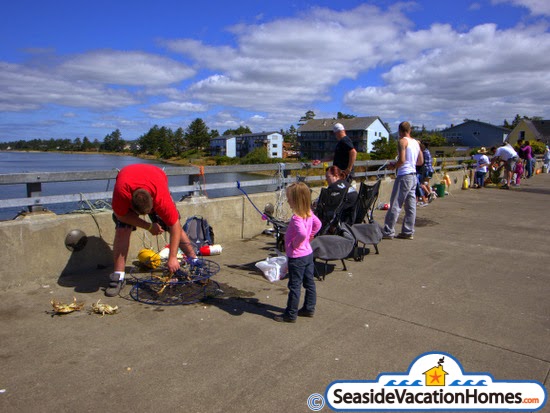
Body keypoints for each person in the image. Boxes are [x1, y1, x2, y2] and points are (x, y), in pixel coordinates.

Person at [108, 164, 199, 297]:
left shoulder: (161, 198)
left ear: (153, 201)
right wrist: (148, 226)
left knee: (171, 224)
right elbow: (120, 215)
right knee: (123, 229)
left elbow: (175, 226)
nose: (149, 214)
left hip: (155, 177)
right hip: (127, 176)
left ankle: (194, 260)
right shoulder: (122, 193)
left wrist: (172, 257)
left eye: (151, 211)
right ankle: (118, 276)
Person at [274, 182, 321, 323]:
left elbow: (300, 233)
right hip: (308, 254)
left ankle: (291, 314)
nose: (287, 201)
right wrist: (310, 235)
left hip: (297, 257)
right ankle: (309, 308)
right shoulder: (309, 213)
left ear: (296, 200)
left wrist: (295, 243)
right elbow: (318, 224)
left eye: (289, 198)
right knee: (309, 283)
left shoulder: (296, 218)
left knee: (294, 286)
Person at [382, 121, 424, 240]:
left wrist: (393, 166)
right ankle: (408, 231)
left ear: (400, 131)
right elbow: (420, 161)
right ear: (410, 130)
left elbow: (401, 160)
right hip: (413, 175)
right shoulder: (416, 143)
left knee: (396, 203)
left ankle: (388, 231)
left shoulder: (402, 142)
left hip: (404, 175)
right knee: (411, 206)